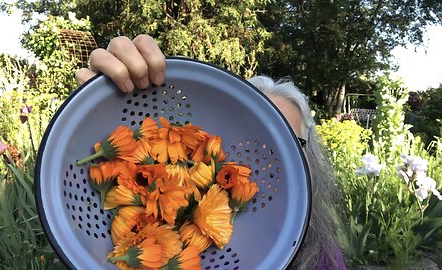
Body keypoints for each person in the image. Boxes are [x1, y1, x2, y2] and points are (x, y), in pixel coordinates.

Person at [75, 34, 347, 269]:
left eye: (290, 143)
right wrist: (100, 110)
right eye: (256, 140)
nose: (271, 159)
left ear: (309, 157)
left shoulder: (320, 260)